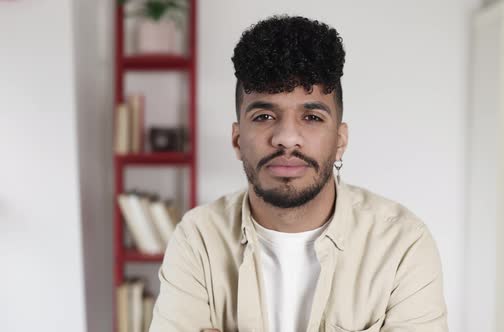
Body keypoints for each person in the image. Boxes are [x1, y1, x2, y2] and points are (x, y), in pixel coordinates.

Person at [149, 15, 448, 332]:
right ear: (237, 140)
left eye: (312, 117)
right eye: (264, 115)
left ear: (339, 141)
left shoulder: (402, 244)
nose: (286, 137)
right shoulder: (198, 240)